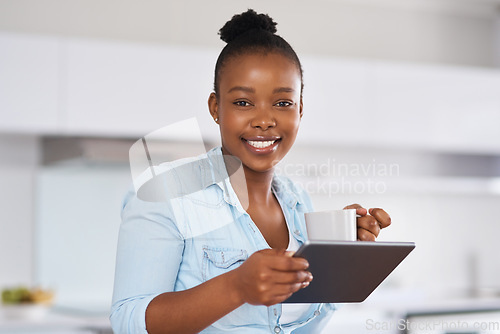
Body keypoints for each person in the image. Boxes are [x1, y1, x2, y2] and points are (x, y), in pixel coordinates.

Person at [110, 9, 391, 334]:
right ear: (216, 108)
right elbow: (128, 321)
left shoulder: (297, 203)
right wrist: (236, 287)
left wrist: (339, 260)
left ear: (300, 109)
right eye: (243, 102)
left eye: (283, 103)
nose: (264, 120)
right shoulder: (166, 194)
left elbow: (303, 325)